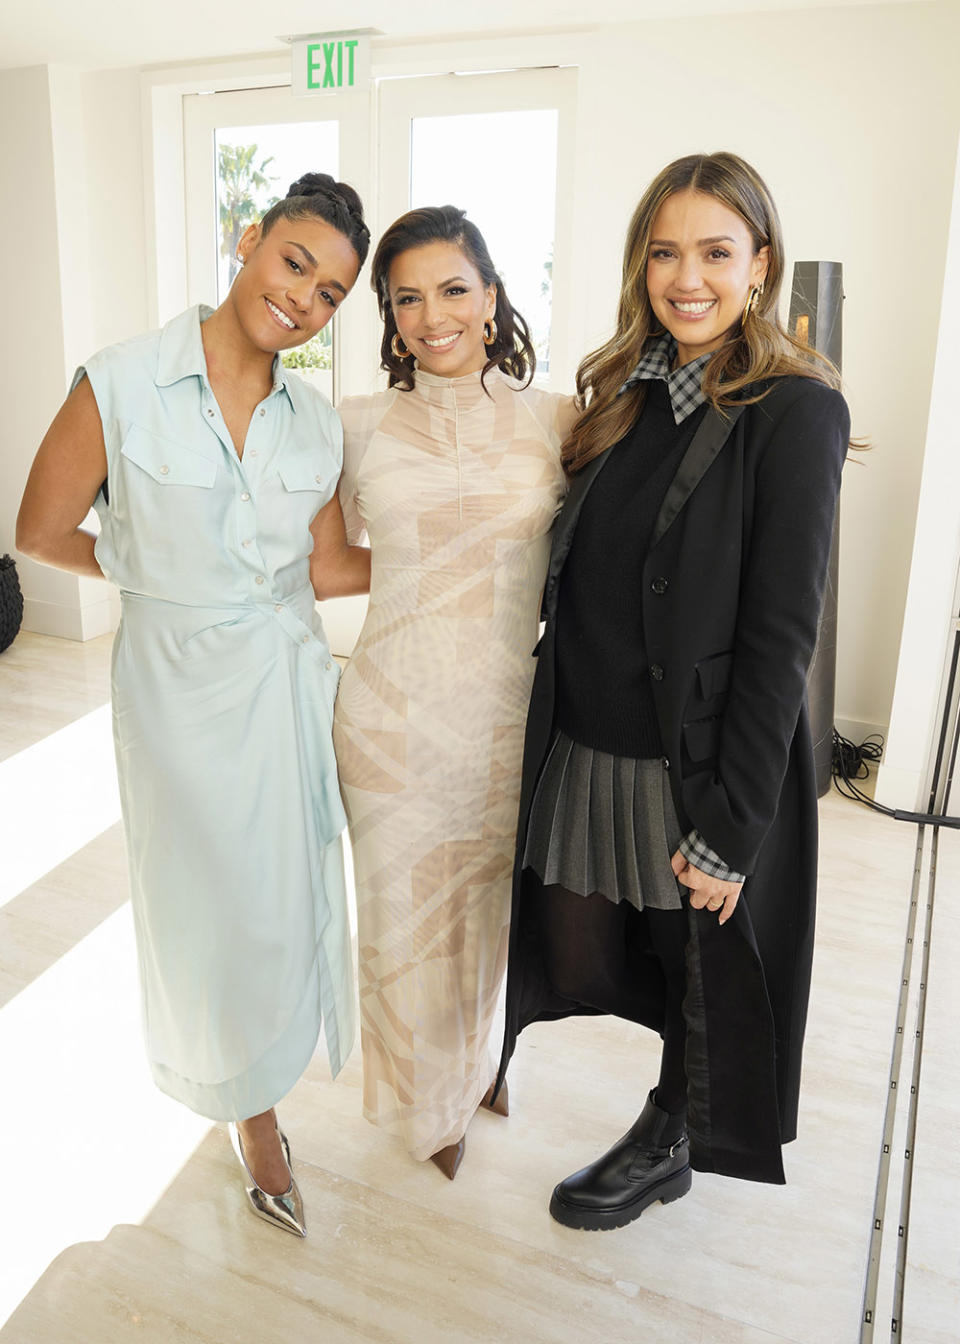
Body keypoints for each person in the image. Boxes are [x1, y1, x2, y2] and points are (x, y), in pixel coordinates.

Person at [495, 151, 851, 1229]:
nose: (685, 277)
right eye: (664, 252)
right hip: (591, 744)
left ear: (760, 265)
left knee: (699, 967)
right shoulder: (622, 397)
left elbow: (784, 634)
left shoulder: (795, 412)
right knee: (595, 946)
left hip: (695, 763)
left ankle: (673, 1126)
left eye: (713, 251)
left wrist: (737, 826)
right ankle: (664, 1101)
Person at [16, 173, 371, 1238]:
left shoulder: (314, 424)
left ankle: (265, 1074)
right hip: (175, 693)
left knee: (277, 893)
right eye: (295, 262)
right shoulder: (119, 382)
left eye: (331, 294)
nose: (303, 299)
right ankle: (249, 1114)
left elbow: (325, 567)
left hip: (282, 682)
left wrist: (455, 543)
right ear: (251, 241)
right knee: (203, 902)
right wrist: (148, 567)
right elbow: (40, 529)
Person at [333, 205, 575, 1179]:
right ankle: (433, 1107)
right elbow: (323, 567)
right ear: (389, 319)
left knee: (489, 914)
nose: (431, 314)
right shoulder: (350, 427)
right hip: (389, 718)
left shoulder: (560, 420)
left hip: (506, 718)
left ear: (493, 296)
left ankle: (483, 1061)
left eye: (452, 288)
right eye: (406, 297)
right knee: (402, 922)